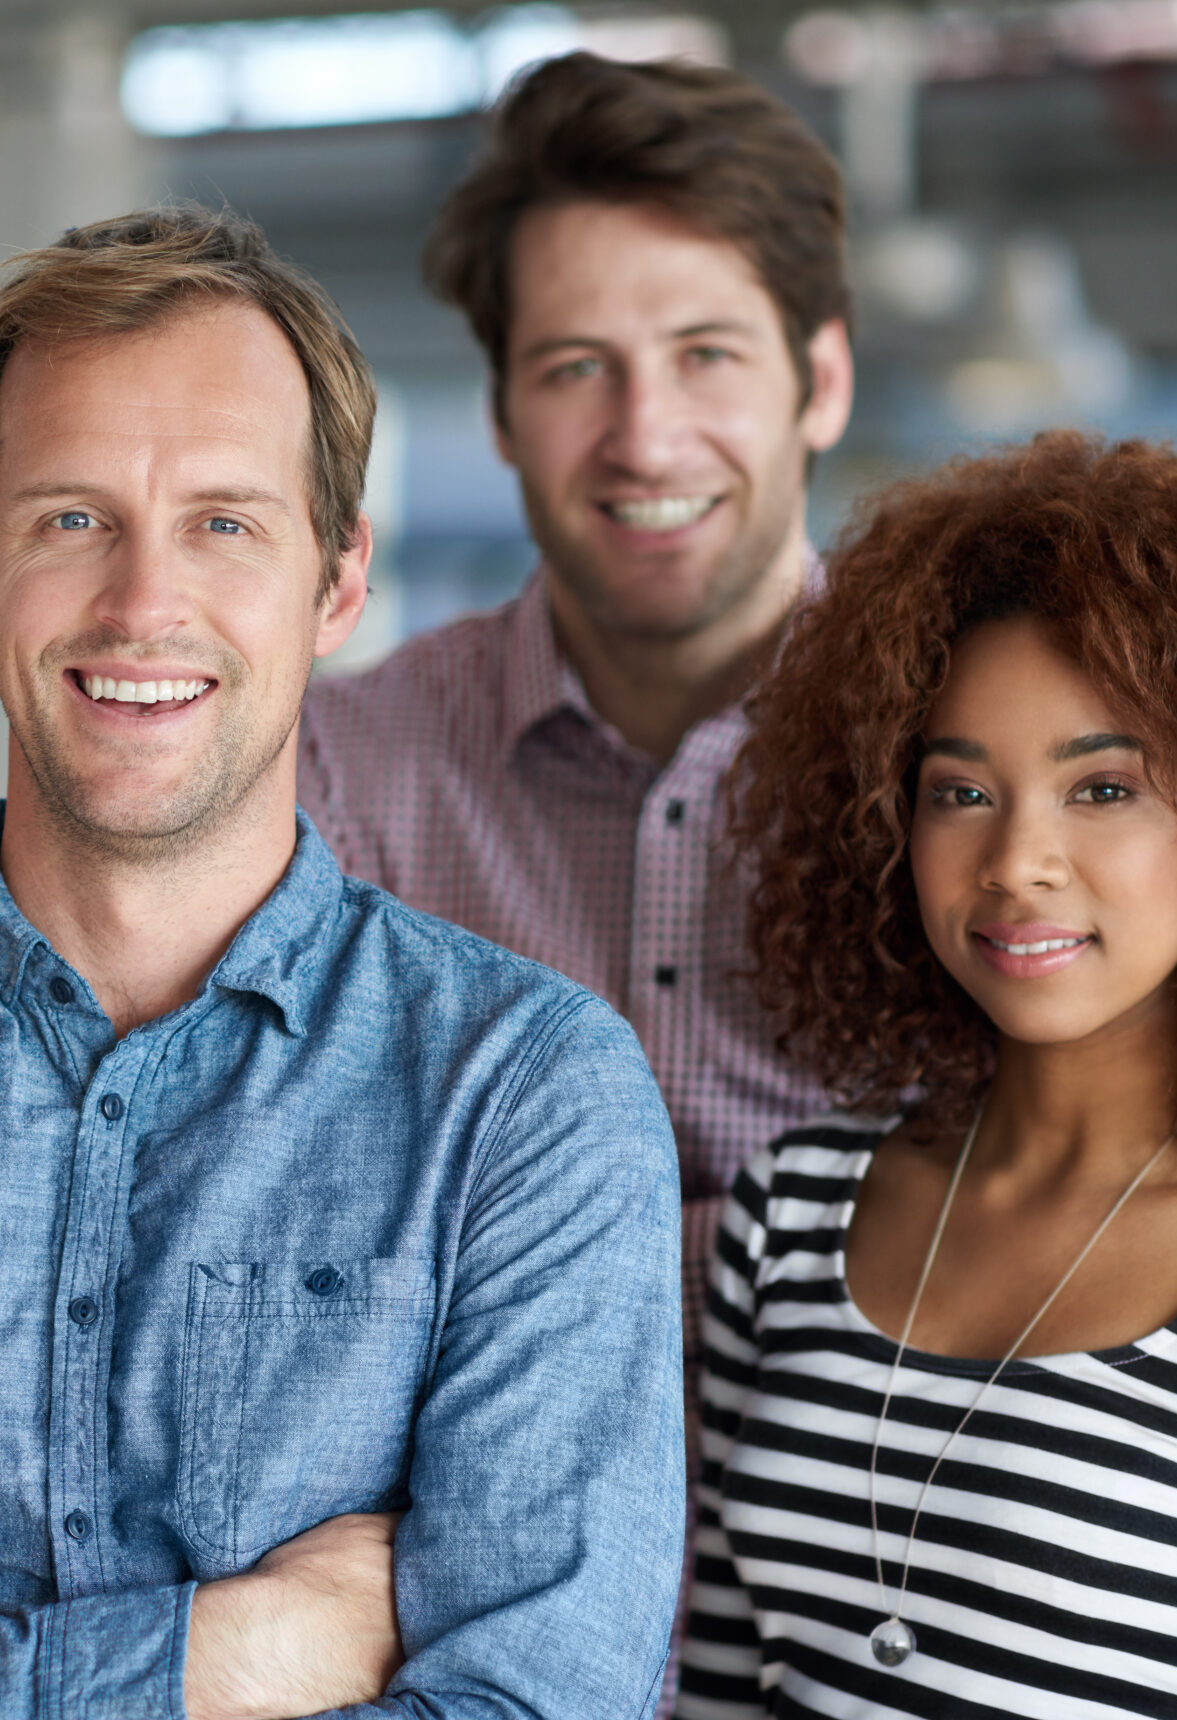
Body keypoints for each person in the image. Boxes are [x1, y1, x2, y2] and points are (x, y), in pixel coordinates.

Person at [0, 206, 687, 1718]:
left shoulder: (527, 1100)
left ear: (338, 581)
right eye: (72, 518)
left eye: (224, 522)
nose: (144, 603)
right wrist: (237, 1654)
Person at [681, 434, 1177, 1717]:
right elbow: (722, 1681)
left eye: (1103, 786)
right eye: (959, 791)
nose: (1017, 859)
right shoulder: (792, 1211)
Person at [295, 53, 854, 1357]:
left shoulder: (973, 765)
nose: (645, 439)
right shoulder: (343, 769)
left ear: (819, 381)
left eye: (705, 354)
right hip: (448, 1544)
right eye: (574, 369)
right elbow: (299, 1232)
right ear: (499, 410)